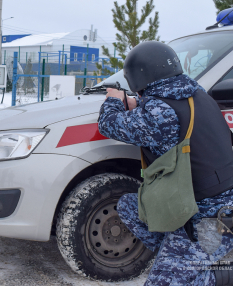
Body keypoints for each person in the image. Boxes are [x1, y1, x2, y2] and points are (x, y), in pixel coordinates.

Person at [98, 41, 233, 286]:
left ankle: (200, 267)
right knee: (130, 205)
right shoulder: (197, 95)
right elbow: (169, 111)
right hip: (216, 207)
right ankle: (186, 257)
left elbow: (108, 124)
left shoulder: (160, 114)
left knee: (164, 282)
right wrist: (139, 104)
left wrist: (115, 99)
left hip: (207, 222)